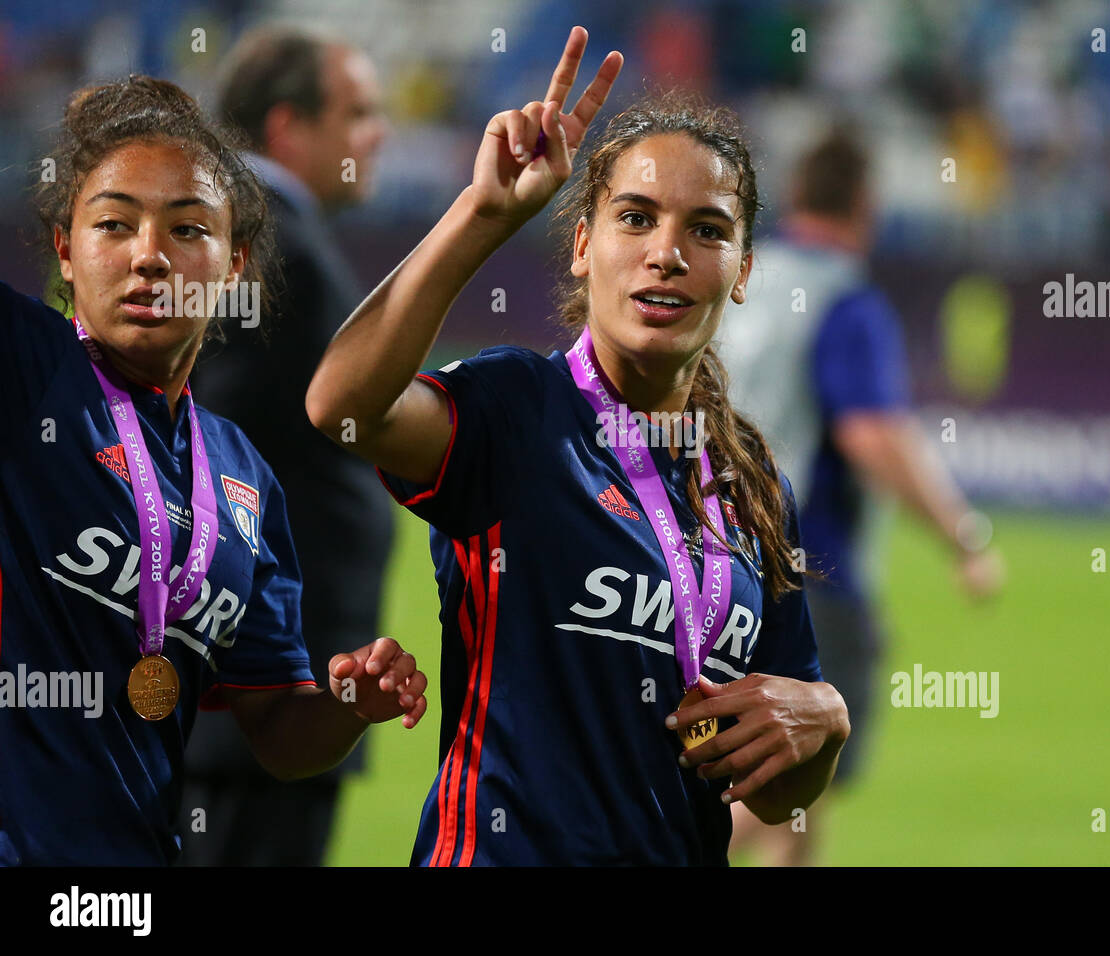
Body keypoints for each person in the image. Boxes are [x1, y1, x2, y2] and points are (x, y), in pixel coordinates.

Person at [305, 26, 850, 866]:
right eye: (635, 218)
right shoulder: (520, 411)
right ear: (585, 243)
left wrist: (824, 723)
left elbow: (772, 786)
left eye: (707, 230)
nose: (666, 253)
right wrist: (484, 213)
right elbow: (342, 407)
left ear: (742, 271)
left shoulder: (748, 484)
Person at [0, 75, 426, 866]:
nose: (149, 256)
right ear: (66, 248)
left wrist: (347, 701)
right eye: (113, 225)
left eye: (187, 229)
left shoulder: (239, 477)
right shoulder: (25, 373)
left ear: (233, 265)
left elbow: (279, 730)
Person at [719, 129, 1004, 866]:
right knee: (797, 763)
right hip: (814, 569)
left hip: (717, 556)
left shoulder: (743, 278)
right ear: (865, 206)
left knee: (801, 778)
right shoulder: (845, 302)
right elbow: (873, 436)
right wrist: (963, 536)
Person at [181, 26, 394, 867]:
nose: (377, 134)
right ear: (286, 128)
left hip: (275, 705)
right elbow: (193, 435)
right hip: (256, 711)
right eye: (358, 112)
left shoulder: (265, 237)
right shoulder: (265, 242)